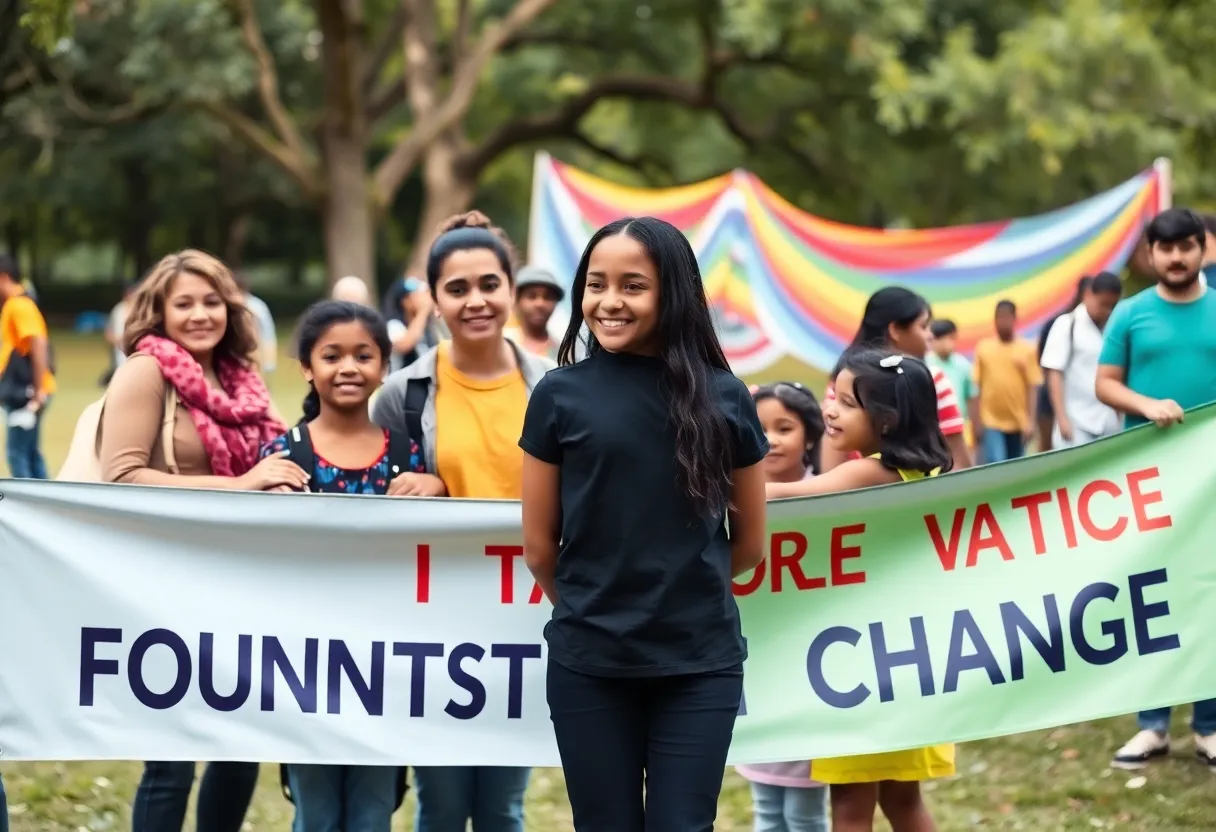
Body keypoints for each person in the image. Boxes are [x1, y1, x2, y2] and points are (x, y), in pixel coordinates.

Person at [518, 216, 768, 831]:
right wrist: (597, 607)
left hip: (699, 665)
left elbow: (751, 545)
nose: (608, 301)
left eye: (633, 286)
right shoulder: (557, 395)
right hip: (588, 664)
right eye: (596, 284)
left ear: (673, 293)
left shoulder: (726, 398)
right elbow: (538, 547)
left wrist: (678, 594)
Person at [100, 250, 308, 832]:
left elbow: (272, 460)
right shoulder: (147, 371)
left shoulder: (242, 376)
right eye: (184, 303)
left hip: (241, 581)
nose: (200, 314)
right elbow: (122, 476)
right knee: (171, 760)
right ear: (159, 312)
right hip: (165, 581)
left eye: (211, 301)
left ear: (230, 307)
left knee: (239, 749)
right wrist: (240, 486)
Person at [372, 211, 552, 832]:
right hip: (434, 624)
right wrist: (427, 487)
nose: (476, 301)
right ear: (435, 301)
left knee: (503, 807)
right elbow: (373, 501)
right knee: (441, 806)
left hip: (525, 623)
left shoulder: (555, 389)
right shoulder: (402, 395)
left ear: (509, 288)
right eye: (457, 288)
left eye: (489, 284)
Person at [767, 349, 952, 832]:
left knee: (849, 811)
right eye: (832, 396)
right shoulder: (929, 471)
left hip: (862, 672)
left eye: (846, 403)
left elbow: (779, 495)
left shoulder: (868, 474)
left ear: (887, 421)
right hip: (911, 664)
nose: (830, 409)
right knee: (904, 803)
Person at [262, 300, 423, 832]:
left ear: (384, 365)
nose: (348, 367)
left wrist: (438, 489)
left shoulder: (409, 456)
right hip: (304, 672)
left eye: (363, 355)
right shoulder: (284, 455)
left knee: (375, 807)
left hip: (385, 673)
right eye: (332, 355)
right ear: (307, 366)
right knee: (316, 811)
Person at [1096, 207, 1216, 771]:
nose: (1175, 257)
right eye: (1164, 248)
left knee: (1209, 597)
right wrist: (1146, 407)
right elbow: (1105, 384)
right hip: (1144, 484)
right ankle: (1151, 726)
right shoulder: (1130, 313)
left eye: (1186, 246)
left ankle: (1210, 727)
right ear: (1150, 254)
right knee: (1150, 596)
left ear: (1203, 249)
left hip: (1211, 483)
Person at [736, 381, 829, 832]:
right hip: (758, 673)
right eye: (758, 427)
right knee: (767, 810)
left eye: (785, 427)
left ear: (810, 435)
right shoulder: (726, 499)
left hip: (813, 675)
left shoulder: (834, 498)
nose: (770, 439)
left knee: (806, 814)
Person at [820, 287, 970, 473]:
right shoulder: (845, 381)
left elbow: (957, 461)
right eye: (923, 326)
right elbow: (960, 464)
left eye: (847, 403)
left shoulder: (842, 379)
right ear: (895, 330)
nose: (930, 335)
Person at [1039, 272, 1123, 448]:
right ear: (1088, 295)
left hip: (1108, 421)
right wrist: (1061, 418)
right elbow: (1054, 373)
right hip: (1075, 421)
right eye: (1103, 304)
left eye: (1112, 306)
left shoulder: (1115, 327)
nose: (1107, 311)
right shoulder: (1066, 325)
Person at [0, 253, 55, 479]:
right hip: (28, 391)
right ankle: (48, 506)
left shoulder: (19, 305)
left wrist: (38, 390)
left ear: (3, 277)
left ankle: (30, 508)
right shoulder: (15, 304)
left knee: (17, 454)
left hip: (27, 393)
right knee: (30, 453)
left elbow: (38, 342)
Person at [972, 300, 1041, 462]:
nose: (1003, 322)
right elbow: (977, 387)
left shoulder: (1027, 349)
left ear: (1014, 319)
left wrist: (1031, 421)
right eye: (999, 318)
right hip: (991, 421)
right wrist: (976, 421)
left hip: (1018, 422)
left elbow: (1032, 386)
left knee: (1016, 465)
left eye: (1006, 317)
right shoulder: (984, 348)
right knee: (996, 462)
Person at [1033, 277, 1091, 452]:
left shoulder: (1099, 327)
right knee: (1047, 447)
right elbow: (1043, 361)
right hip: (1052, 396)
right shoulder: (1059, 323)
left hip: (1080, 399)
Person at [925, 319, 976, 441]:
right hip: (933, 429)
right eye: (942, 338)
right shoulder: (926, 363)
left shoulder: (963, 364)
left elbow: (971, 396)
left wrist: (975, 426)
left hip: (959, 427)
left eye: (951, 338)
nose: (947, 342)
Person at [504, 265, 563, 359]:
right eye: (531, 296)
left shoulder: (565, 353)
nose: (540, 304)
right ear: (516, 301)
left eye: (547, 297)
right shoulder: (501, 345)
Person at [382, 274, 438, 372]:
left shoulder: (426, 326)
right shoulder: (393, 325)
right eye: (418, 294)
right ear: (405, 301)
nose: (426, 298)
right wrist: (423, 311)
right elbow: (404, 345)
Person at [234, 271, 278, 376]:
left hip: (253, 351)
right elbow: (269, 334)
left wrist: (269, 362)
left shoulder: (255, 306)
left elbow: (267, 334)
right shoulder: (257, 305)